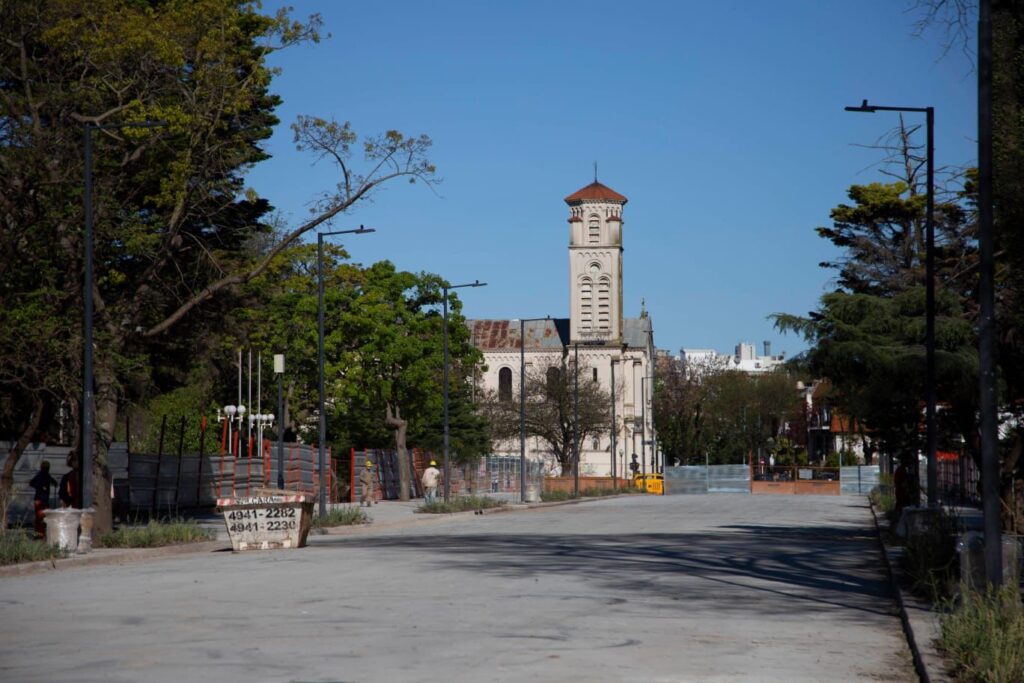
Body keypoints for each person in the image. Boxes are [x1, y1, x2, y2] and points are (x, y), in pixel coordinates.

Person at [29, 460, 58, 537]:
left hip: (42, 500)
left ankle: (40, 533)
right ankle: (39, 533)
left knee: (42, 517)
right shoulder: (42, 475)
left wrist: (54, 483)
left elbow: (31, 483)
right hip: (41, 500)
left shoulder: (44, 475)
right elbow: (32, 483)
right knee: (41, 517)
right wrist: (40, 487)